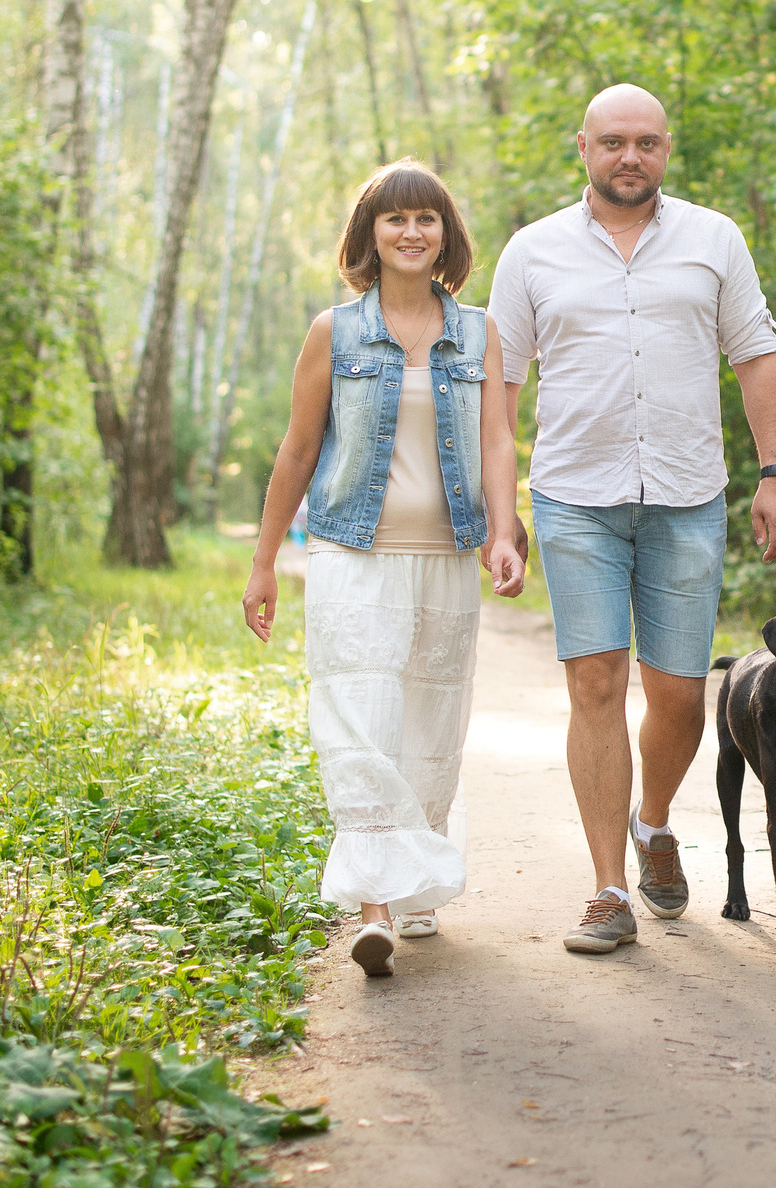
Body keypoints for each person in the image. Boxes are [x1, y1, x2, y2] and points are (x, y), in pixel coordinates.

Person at [487, 83, 776, 956]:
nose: (632, 156)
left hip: (687, 497)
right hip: (574, 497)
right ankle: (606, 888)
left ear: (667, 149)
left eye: (649, 143)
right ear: (581, 146)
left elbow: (758, 356)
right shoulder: (532, 251)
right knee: (594, 686)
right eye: (614, 141)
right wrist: (500, 511)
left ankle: (653, 821)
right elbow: (499, 391)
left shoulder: (714, 240)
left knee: (678, 694)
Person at [242, 159, 526, 978]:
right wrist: (265, 561)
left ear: (447, 235)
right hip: (349, 553)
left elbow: (497, 440)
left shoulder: (476, 332)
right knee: (361, 716)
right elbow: (298, 448)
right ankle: (375, 910)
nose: (411, 232)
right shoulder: (335, 330)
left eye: (426, 219)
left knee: (432, 724)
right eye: (395, 218)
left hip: (446, 552)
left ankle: (414, 875)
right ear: (370, 233)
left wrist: (504, 532)